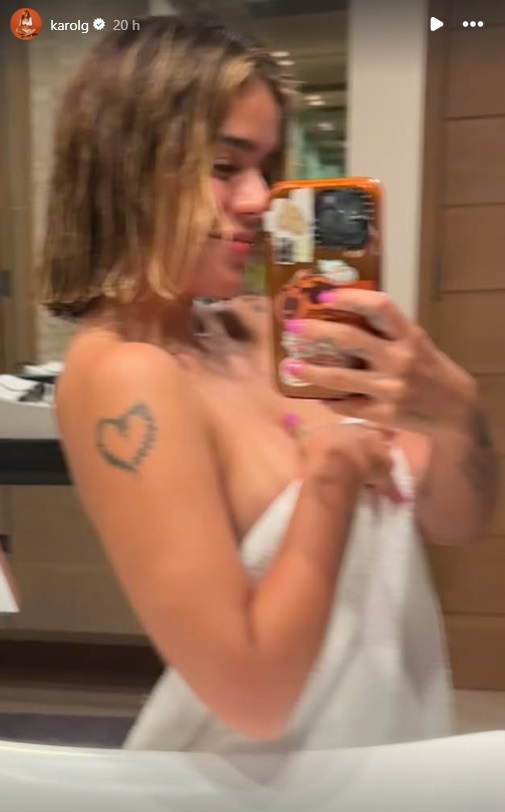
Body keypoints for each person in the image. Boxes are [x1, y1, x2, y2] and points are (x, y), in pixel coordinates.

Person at [40, 15, 498, 753]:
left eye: (266, 166)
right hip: (262, 780)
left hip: (375, 752)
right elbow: (252, 698)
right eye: (225, 167)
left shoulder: (266, 329)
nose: (260, 198)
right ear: (127, 168)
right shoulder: (127, 376)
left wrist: (453, 407)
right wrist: (333, 480)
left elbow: (454, 519)